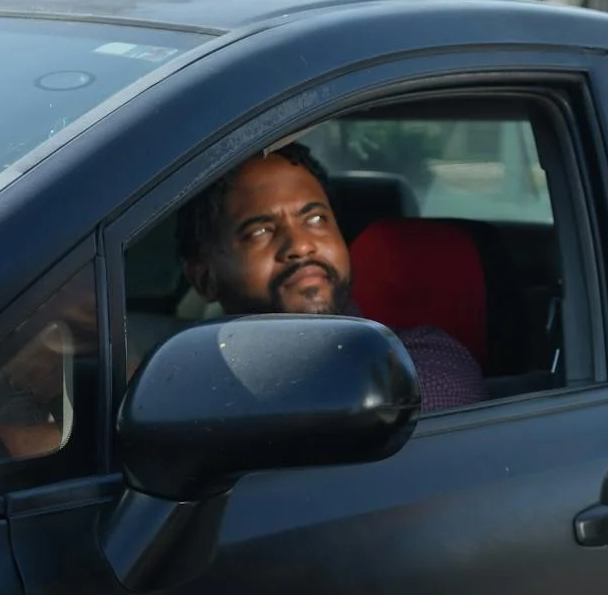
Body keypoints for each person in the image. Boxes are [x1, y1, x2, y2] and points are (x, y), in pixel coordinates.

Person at [175, 141, 487, 412]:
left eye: (315, 218)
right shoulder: (181, 380)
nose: (300, 245)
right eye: (260, 231)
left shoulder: (425, 362)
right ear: (204, 278)